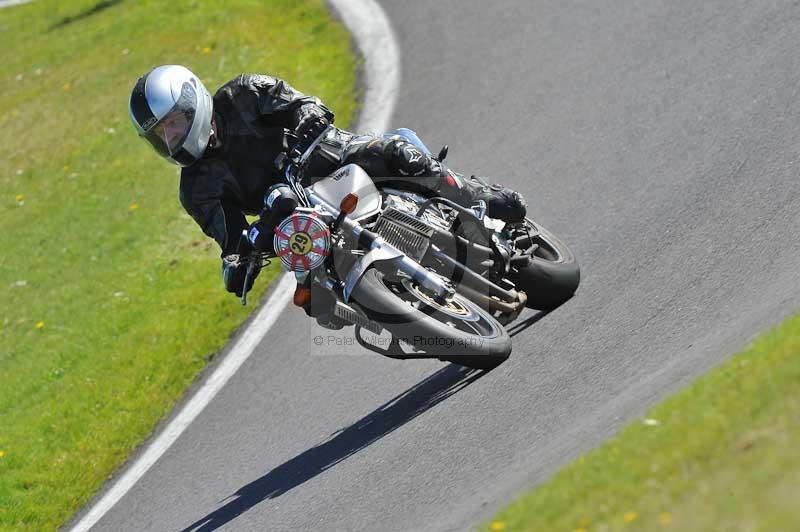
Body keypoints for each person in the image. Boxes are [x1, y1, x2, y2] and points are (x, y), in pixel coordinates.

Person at [128, 65, 526, 298]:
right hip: (294, 214)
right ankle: (392, 310)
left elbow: (305, 104)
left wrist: (306, 121)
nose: (171, 139)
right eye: (160, 135)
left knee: (397, 156)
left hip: (325, 155)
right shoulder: (196, 189)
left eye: (173, 124)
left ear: (192, 103)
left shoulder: (243, 93)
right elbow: (231, 240)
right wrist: (238, 264)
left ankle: (480, 198)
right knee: (317, 296)